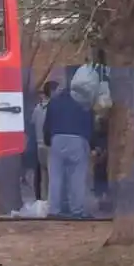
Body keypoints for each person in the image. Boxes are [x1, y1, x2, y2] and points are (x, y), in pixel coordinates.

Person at [44, 79, 95, 219]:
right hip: (78, 140)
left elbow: (47, 125)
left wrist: (48, 141)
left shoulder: (53, 102)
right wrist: (92, 144)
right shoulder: (83, 102)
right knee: (77, 177)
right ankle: (77, 210)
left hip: (57, 139)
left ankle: (54, 210)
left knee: (55, 177)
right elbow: (90, 125)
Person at [32, 81, 58, 201]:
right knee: (54, 175)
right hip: (50, 144)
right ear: (52, 92)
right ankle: (52, 201)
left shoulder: (38, 108)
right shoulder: (54, 107)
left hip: (39, 145)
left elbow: (33, 123)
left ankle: (44, 201)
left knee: (43, 175)